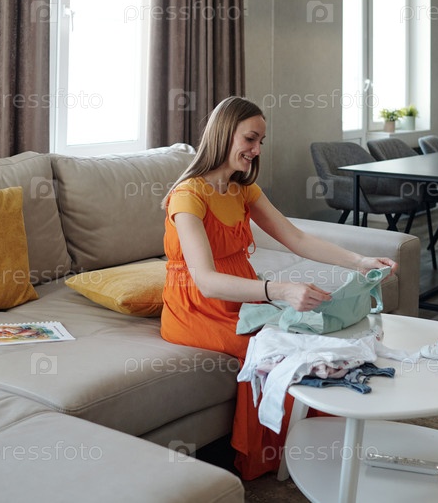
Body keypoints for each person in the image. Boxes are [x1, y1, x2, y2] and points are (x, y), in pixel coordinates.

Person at [160, 96, 397, 480]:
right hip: (198, 307)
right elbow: (205, 280)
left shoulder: (242, 189)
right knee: (281, 347)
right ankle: (281, 454)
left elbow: (296, 238)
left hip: (243, 296)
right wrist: (280, 290)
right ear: (223, 134)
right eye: (250, 139)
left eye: (260, 141)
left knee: (310, 333)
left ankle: (332, 440)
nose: (256, 150)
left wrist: (360, 261)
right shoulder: (189, 196)